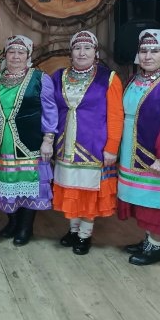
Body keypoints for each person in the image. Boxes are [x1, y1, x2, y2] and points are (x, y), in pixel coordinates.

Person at [117, 29, 160, 266]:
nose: (148, 56)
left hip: (155, 154)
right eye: (143, 50)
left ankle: (155, 247)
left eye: (154, 50)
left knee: (157, 201)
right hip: (132, 149)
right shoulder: (135, 79)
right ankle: (148, 240)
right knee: (142, 198)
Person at [52, 31, 124, 255]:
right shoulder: (58, 76)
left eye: (87, 48)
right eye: (77, 48)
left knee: (88, 191)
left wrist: (112, 147)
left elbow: (116, 116)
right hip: (64, 144)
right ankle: (73, 230)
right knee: (70, 188)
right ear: (71, 52)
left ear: (96, 52)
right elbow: (50, 109)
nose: (82, 53)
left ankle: (84, 235)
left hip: (93, 146)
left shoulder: (108, 78)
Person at [0, 35, 57, 246]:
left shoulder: (40, 78)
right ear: (5, 55)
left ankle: (25, 227)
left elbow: (50, 110)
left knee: (29, 185)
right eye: (12, 52)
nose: (16, 56)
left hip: (30, 142)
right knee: (7, 184)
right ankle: (12, 222)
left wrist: (48, 139)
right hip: (2, 143)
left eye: (21, 52)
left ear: (28, 56)